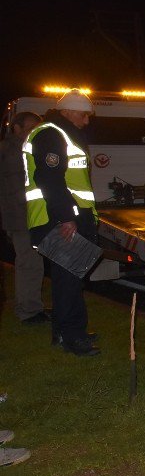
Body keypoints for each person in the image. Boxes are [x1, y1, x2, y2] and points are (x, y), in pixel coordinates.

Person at [22, 89, 101, 357]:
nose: (86, 121)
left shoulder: (56, 132)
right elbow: (49, 178)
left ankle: (64, 331)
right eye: (83, 115)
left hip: (61, 216)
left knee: (69, 277)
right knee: (69, 279)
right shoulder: (52, 134)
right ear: (67, 111)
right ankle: (73, 337)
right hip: (59, 218)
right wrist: (66, 216)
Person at [1, 111, 48, 324]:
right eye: (29, 128)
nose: (33, 132)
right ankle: (28, 311)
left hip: (26, 217)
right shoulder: (11, 152)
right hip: (21, 218)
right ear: (16, 128)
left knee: (32, 263)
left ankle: (30, 307)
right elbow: (18, 190)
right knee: (29, 263)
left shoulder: (20, 149)